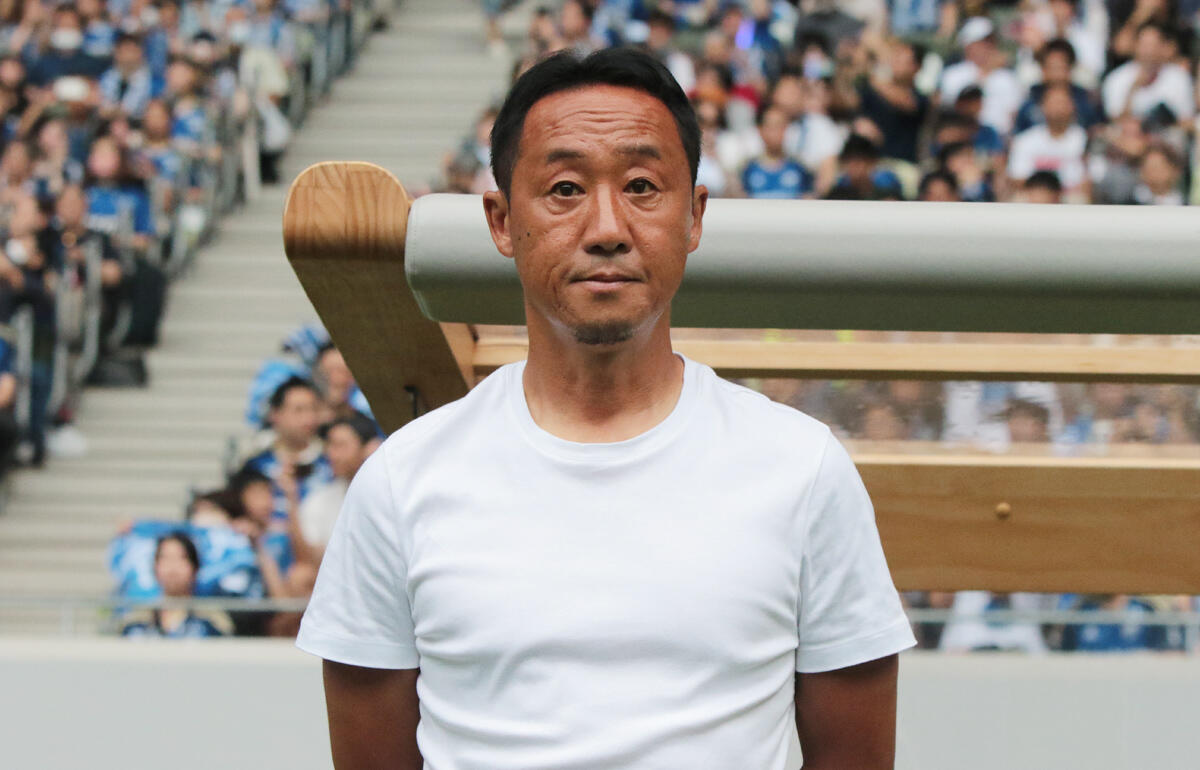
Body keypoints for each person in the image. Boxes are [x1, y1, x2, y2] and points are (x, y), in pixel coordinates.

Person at [298, 48, 914, 769]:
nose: (607, 227)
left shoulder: (802, 469)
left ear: (694, 216)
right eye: (564, 188)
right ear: (501, 220)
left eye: (643, 186)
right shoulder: (402, 480)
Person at [121, 532, 233, 638]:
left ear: (195, 567)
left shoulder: (212, 621)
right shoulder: (136, 620)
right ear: (155, 567)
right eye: (165, 558)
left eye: (181, 558)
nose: (172, 568)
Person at [740, 103, 813, 198]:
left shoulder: (799, 168)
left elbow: (809, 197)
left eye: (780, 126)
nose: (776, 132)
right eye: (770, 126)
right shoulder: (747, 169)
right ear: (760, 130)